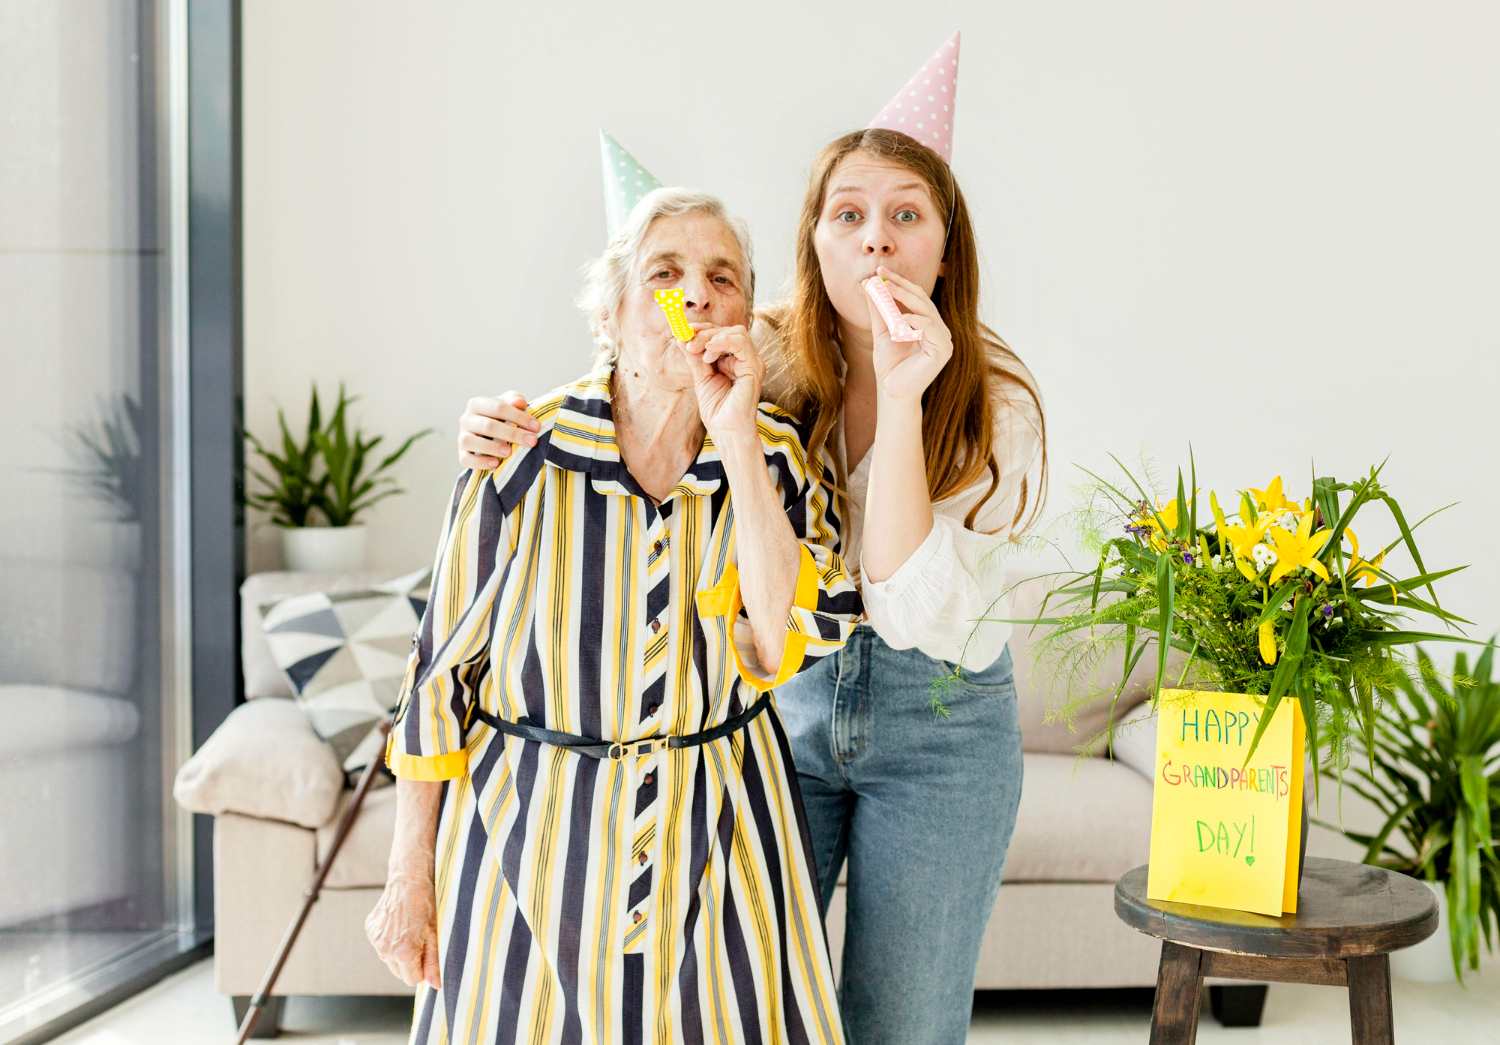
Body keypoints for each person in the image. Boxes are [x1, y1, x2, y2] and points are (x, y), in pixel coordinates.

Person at [455, 33, 1048, 1045]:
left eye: (907, 218)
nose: (876, 242)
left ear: (946, 250)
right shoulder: (768, 353)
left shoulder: (994, 401)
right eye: (848, 216)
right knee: (750, 1004)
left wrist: (903, 399)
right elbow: (642, 379)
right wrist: (499, 423)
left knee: (899, 1025)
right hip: (786, 713)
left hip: (941, 724)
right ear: (812, 243)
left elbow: (903, 594)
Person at [368, 187, 862, 1045]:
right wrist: (409, 868)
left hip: (723, 827)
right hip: (527, 832)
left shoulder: (777, 457)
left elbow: (784, 636)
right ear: (611, 312)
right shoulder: (522, 452)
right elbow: (440, 673)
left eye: (722, 278)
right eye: (664, 273)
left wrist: (736, 434)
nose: (696, 295)